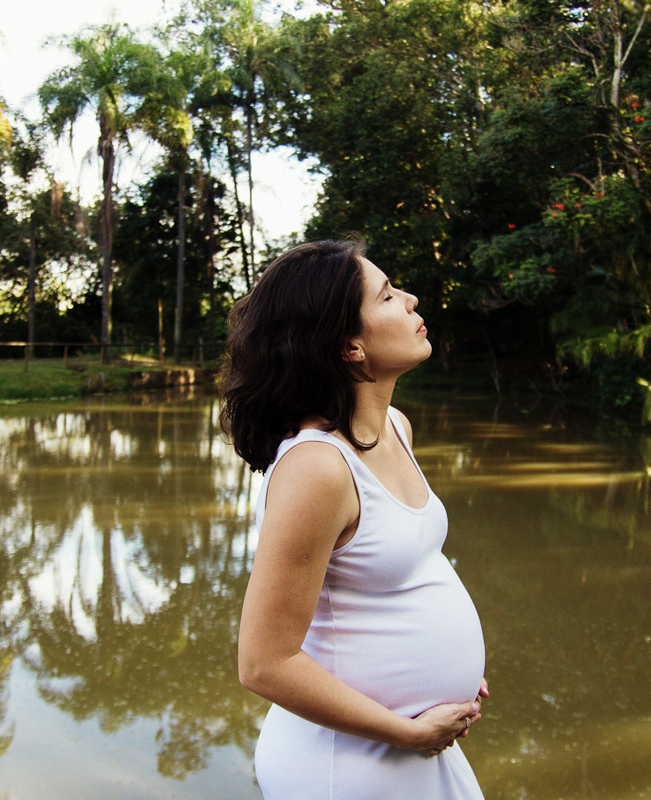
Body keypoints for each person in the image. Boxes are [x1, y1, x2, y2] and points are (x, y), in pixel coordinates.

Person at [220, 239, 489, 799]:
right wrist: (407, 731)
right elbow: (263, 663)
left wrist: (455, 677)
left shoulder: (395, 426)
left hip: (421, 744)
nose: (412, 300)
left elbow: (402, 575)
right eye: (389, 295)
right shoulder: (317, 468)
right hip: (350, 763)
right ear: (348, 346)